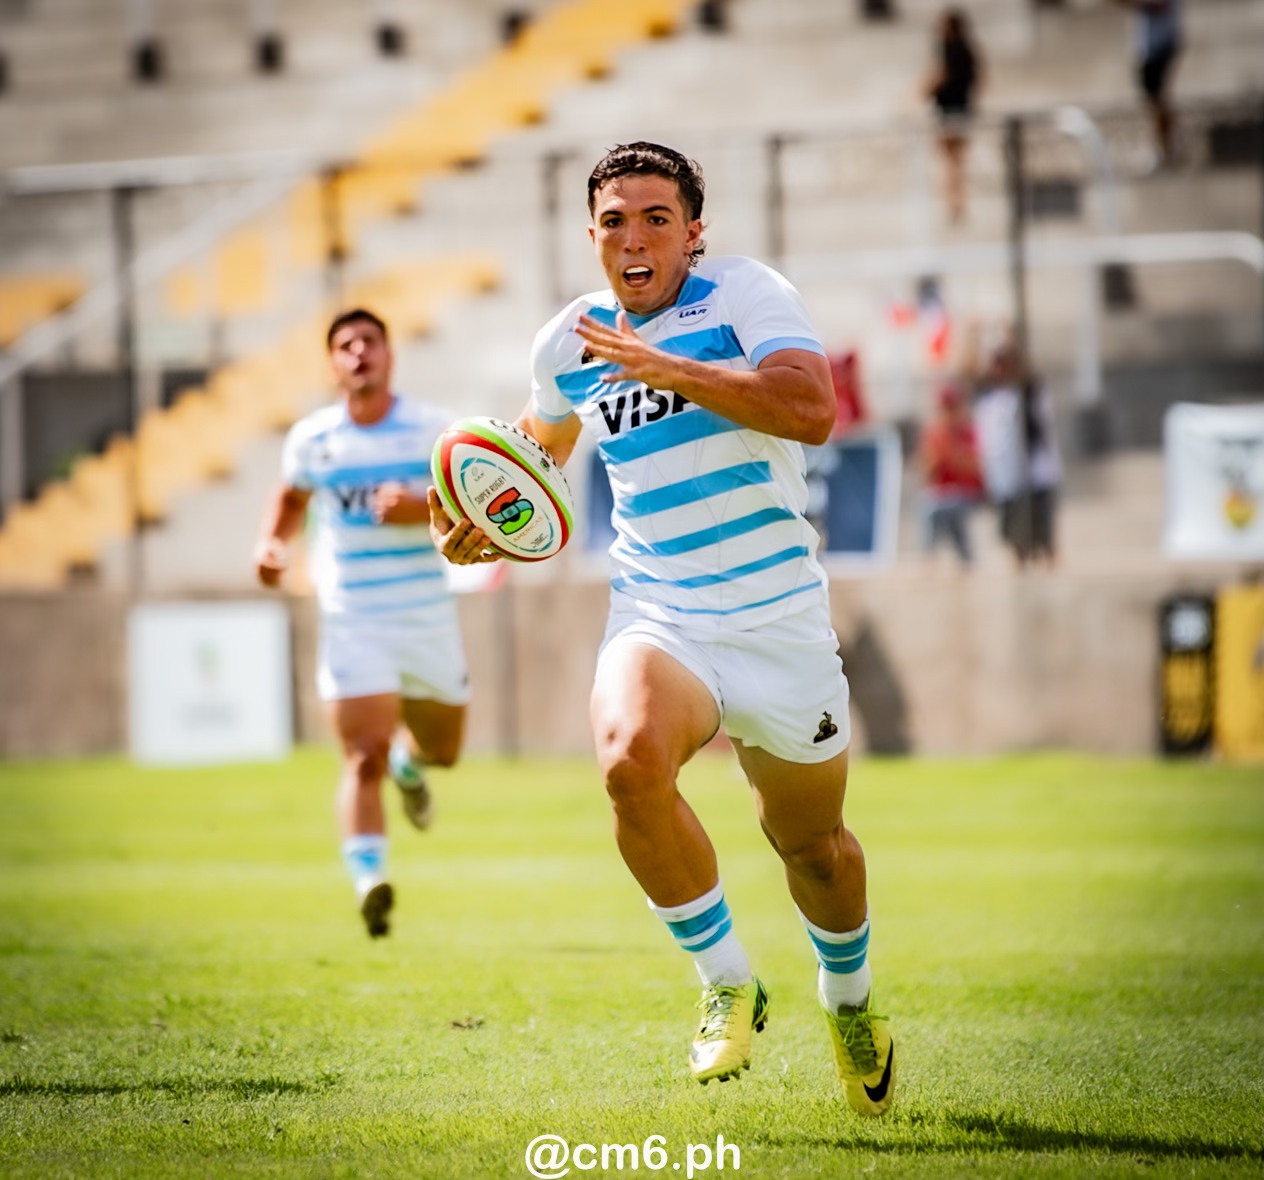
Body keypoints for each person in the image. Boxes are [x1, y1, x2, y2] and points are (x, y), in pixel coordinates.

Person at [430, 142, 895, 1116]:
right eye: (613, 221)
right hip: (660, 609)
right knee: (627, 763)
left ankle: (848, 1001)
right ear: (591, 235)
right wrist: (487, 520)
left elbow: (813, 409)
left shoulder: (746, 296)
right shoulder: (568, 343)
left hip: (780, 618)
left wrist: (670, 367)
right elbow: (539, 456)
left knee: (813, 848)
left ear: (693, 232)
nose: (633, 237)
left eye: (654, 218)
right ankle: (726, 980)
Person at [253, 308, 469, 939]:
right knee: (360, 755)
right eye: (344, 345)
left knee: (444, 752)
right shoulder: (313, 438)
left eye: (369, 341)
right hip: (354, 618)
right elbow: (291, 497)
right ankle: (369, 879)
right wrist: (272, 547)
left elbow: (471, 510)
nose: (358, 353)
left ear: (390, 354)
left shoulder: (435, 432)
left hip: (426, 617)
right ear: (332, 364)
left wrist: (420, 507)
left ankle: (413, 765)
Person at [970, 333, 1061, 568]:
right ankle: (1018, 559)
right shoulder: (987, 395)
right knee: (1012, 524)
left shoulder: (1030, 391)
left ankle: (1049, 558)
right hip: (1004, 471)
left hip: (1034, 467)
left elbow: (1042, 424)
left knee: (1042, 521)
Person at [924, 8, 984, 225]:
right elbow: (979, 80)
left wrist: (919, 94)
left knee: (952, 163)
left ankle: (955, 205)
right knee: (956, 162)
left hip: (950, 111)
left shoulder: (951, 50)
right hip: (961, 109)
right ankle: (957, 204)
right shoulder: (967, 50)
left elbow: (940, 77)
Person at [918, 382, 984, 567]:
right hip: (941, 493)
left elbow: (977, 467)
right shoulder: (933, 433)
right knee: (930, 506)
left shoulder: (969, 432)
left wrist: (952, 453)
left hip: (966, 492)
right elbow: (925, 473)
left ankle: (966, 557)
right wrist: (934, 459)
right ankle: (930, 558)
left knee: (952, 508)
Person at [1117, 0, 1183, 170]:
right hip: (1152, 45)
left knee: (1157, 98)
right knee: (1153, 99)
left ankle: (1167, 147)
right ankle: (1163, 145)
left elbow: (1157, 5)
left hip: (1160, 43)